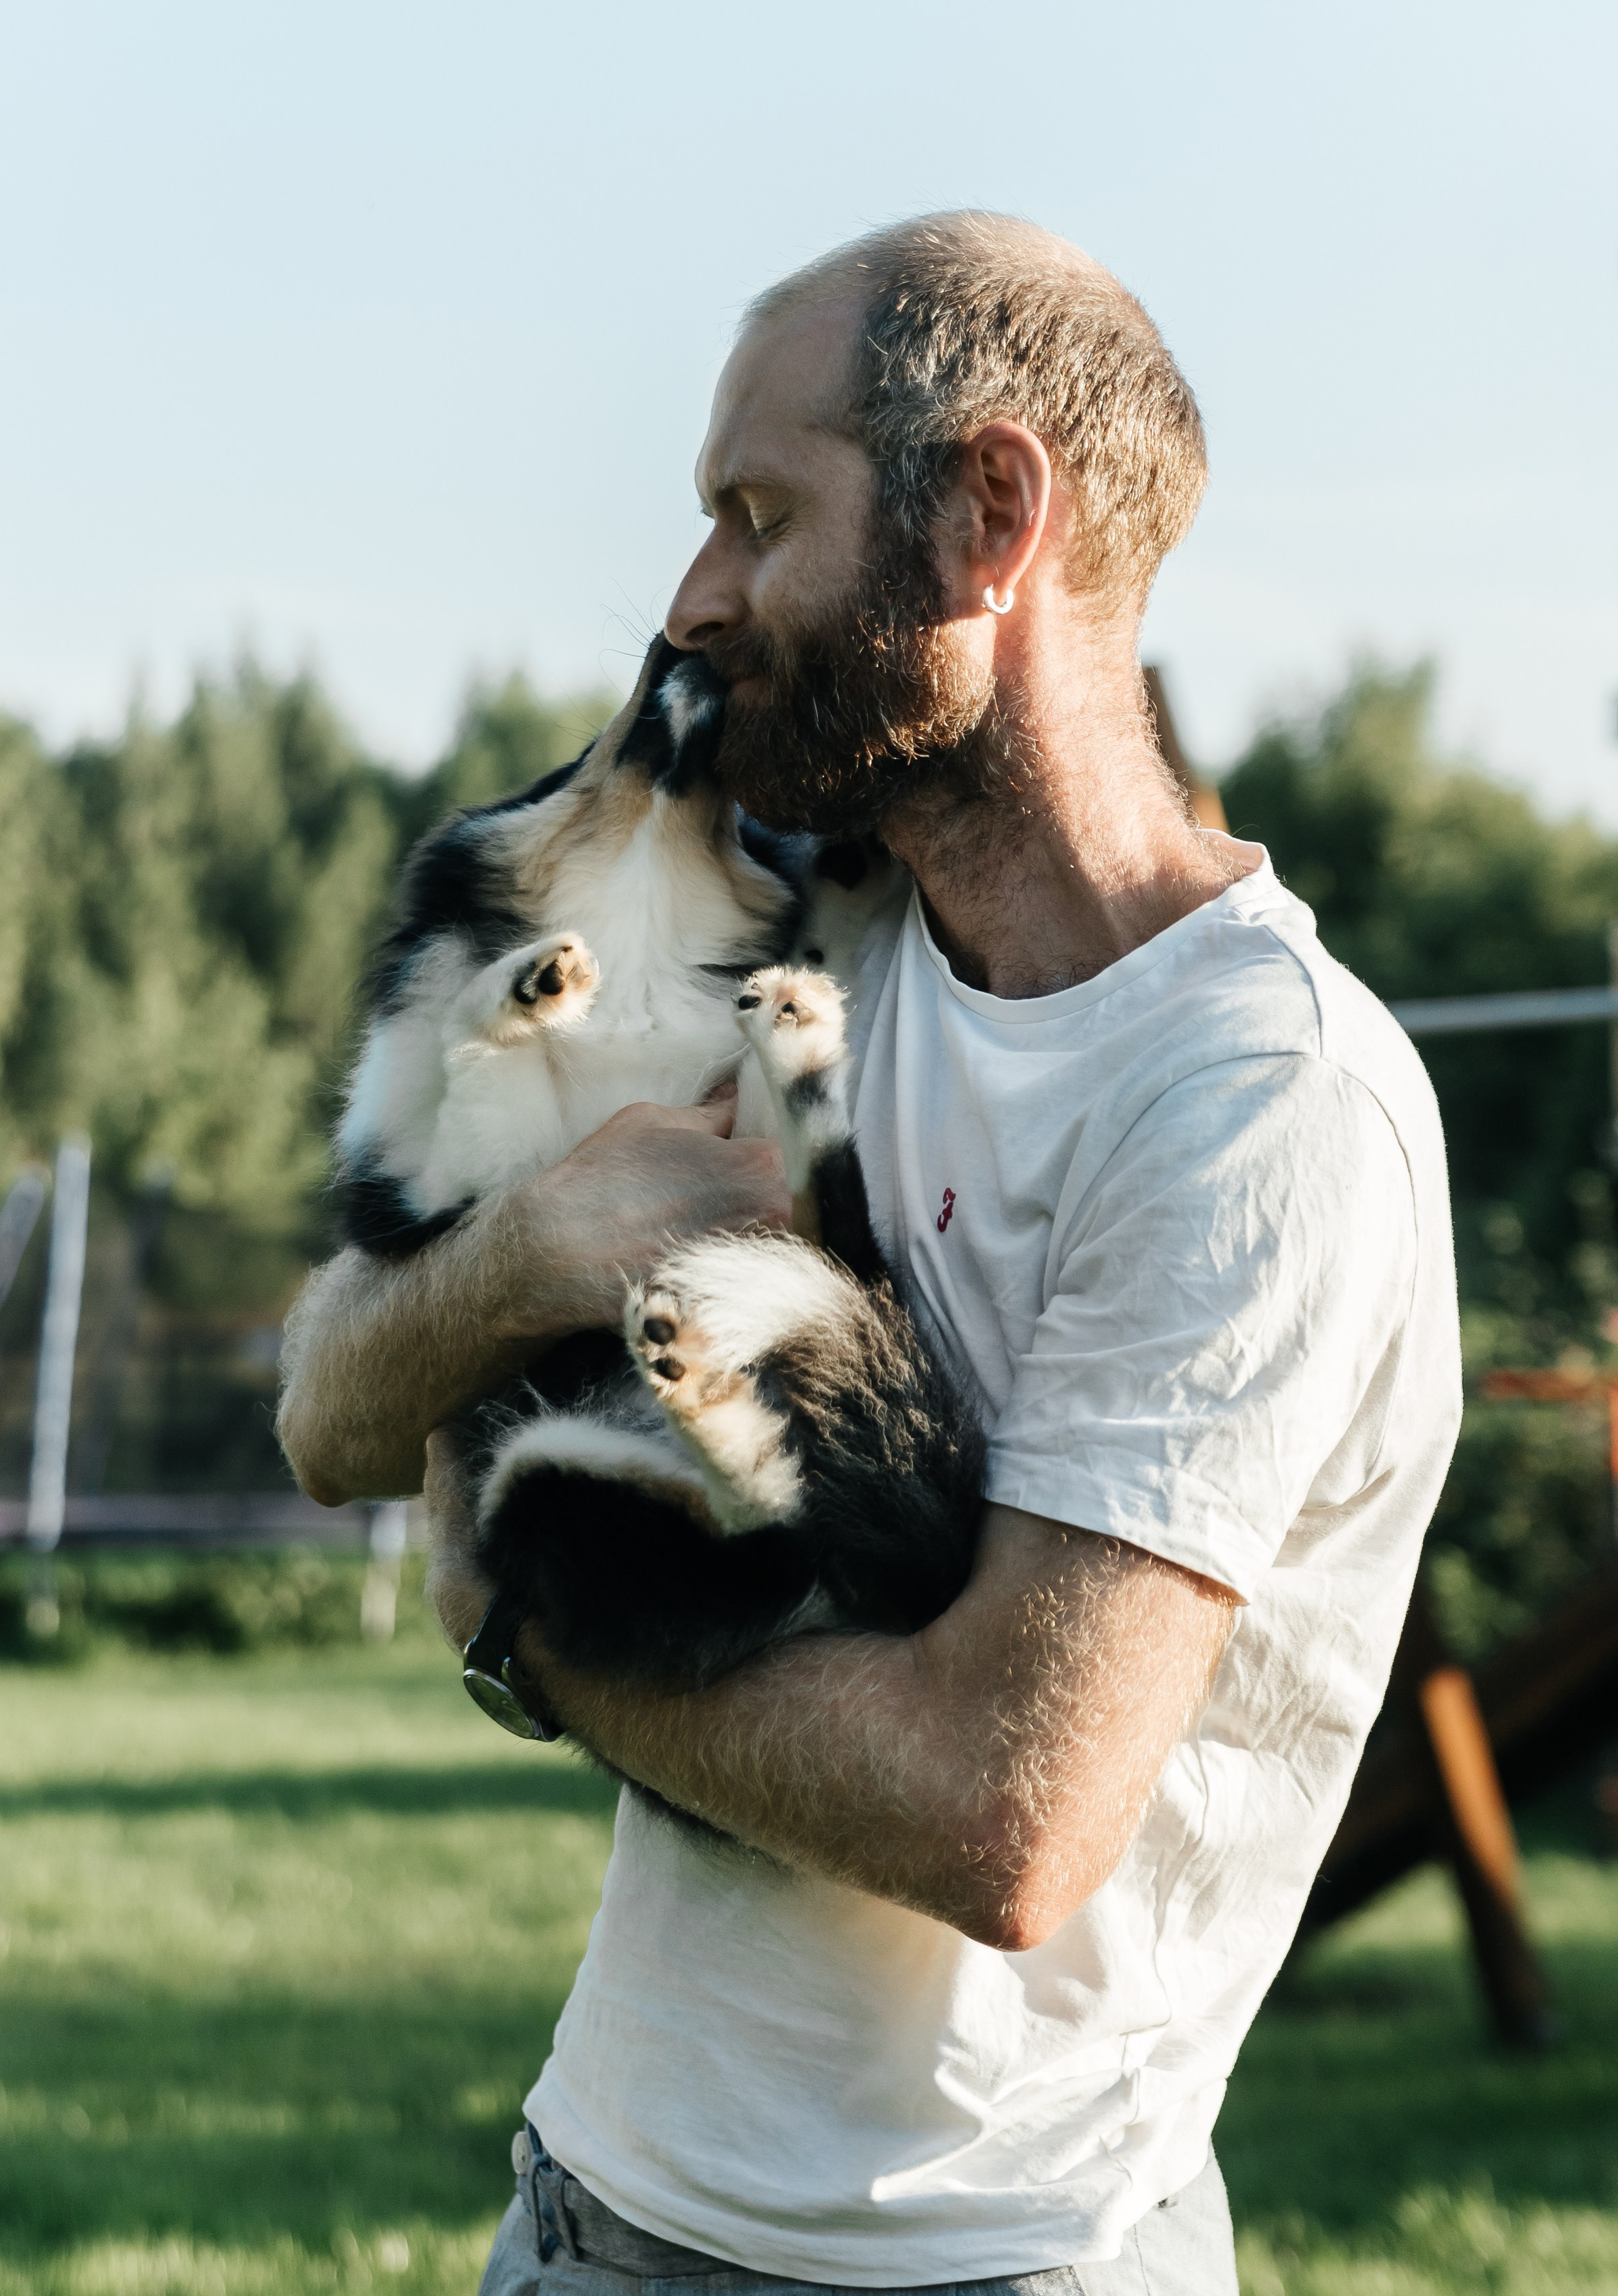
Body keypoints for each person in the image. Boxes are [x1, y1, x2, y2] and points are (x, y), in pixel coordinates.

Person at [278, 212, 1462, 2296]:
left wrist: (520, 1621)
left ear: (990, 515)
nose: (692, 596)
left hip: (991, 2264)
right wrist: (540, 1247)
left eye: (760, 515)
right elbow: (330, 1410)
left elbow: (994, 1817)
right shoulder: (810, 930)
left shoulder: (1261, 1103)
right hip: (585, 2209)